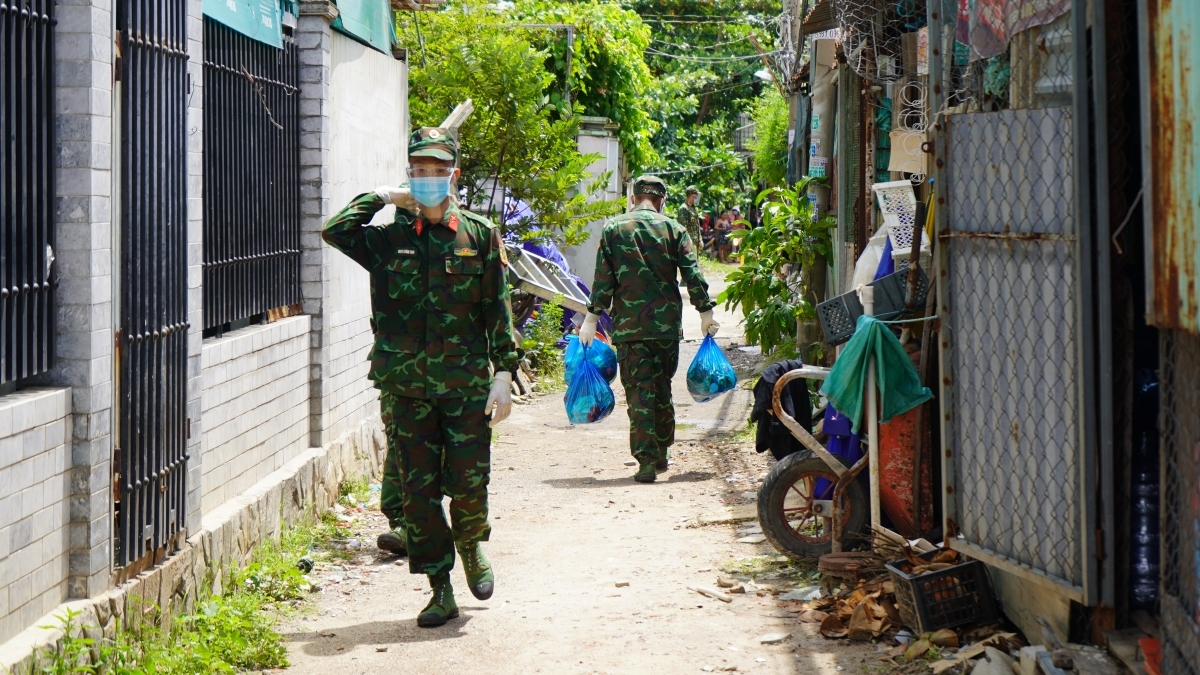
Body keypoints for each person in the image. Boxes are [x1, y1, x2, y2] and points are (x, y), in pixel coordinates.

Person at [322, 126, 518, 628]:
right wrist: (382, 197)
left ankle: (472, 544)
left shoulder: (478, 234)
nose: (428, 178)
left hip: (466, 386)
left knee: (470, 485)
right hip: (408, 388)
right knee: (420, 495)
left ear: (453, 174)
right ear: (409, 174)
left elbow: (497, 309)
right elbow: (335, 230)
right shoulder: (387, 240)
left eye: (437, 170)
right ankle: (440, 587)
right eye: (419, 170)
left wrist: (503, 373)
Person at [578, 175, 719, 483]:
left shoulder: (614, 230)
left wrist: (591, 318)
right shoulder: (675, 230)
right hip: (667, 328)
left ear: (633, 198)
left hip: (630, 329)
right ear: (662, 201)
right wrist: (705, 312)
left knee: (640, 394)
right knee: (662, 388)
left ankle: (646, 461)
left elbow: (604, 279)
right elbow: (692, 275)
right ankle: (662, 450)